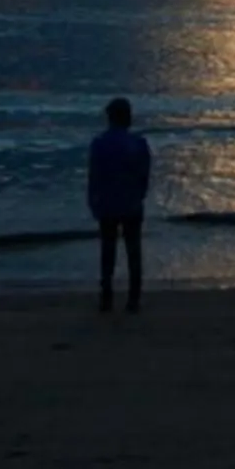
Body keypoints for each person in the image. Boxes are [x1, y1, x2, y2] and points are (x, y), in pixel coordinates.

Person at [86, 96, 152, 314]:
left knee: (108, 251)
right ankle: (133, 299)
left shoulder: (99, 144)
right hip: (131, 202)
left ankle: (106, 297)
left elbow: (94, 177)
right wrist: (140, 196)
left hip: (107, 202)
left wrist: (93, 200)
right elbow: (144, 176)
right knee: (133, 251)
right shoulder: (138, 143)